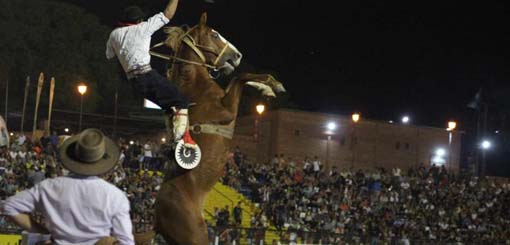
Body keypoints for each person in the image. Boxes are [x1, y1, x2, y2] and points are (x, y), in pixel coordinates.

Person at [2, 128, 135, 244]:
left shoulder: (49, 187)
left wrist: (43, 232)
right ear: (102, 160)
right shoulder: (115, 196)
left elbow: (9, 206)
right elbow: (126, 242)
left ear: (73, 156)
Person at [106, 0, 197, 149]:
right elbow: (168, 14)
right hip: (147, 76)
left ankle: (172, 139)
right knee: (182, 101)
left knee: (169, 107)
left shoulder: (114, 34)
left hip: (134, 83)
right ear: (139, 20)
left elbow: (109, 55)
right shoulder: (144, 28)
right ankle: (181, 140)